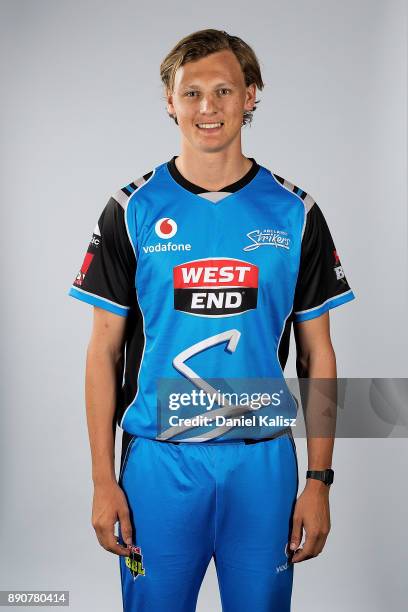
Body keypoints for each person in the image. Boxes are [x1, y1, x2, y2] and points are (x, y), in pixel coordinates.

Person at [68, 28, 355, 612]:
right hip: (158, 462)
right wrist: (103, 480)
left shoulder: (295, 211)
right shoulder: (132, 208)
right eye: (191, 92)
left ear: (251, 96)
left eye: (224, 90)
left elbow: (318, 354)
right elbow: (101, 352)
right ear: (169, 102)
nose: (208, 107)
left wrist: (319, 483)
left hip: (263, 462)